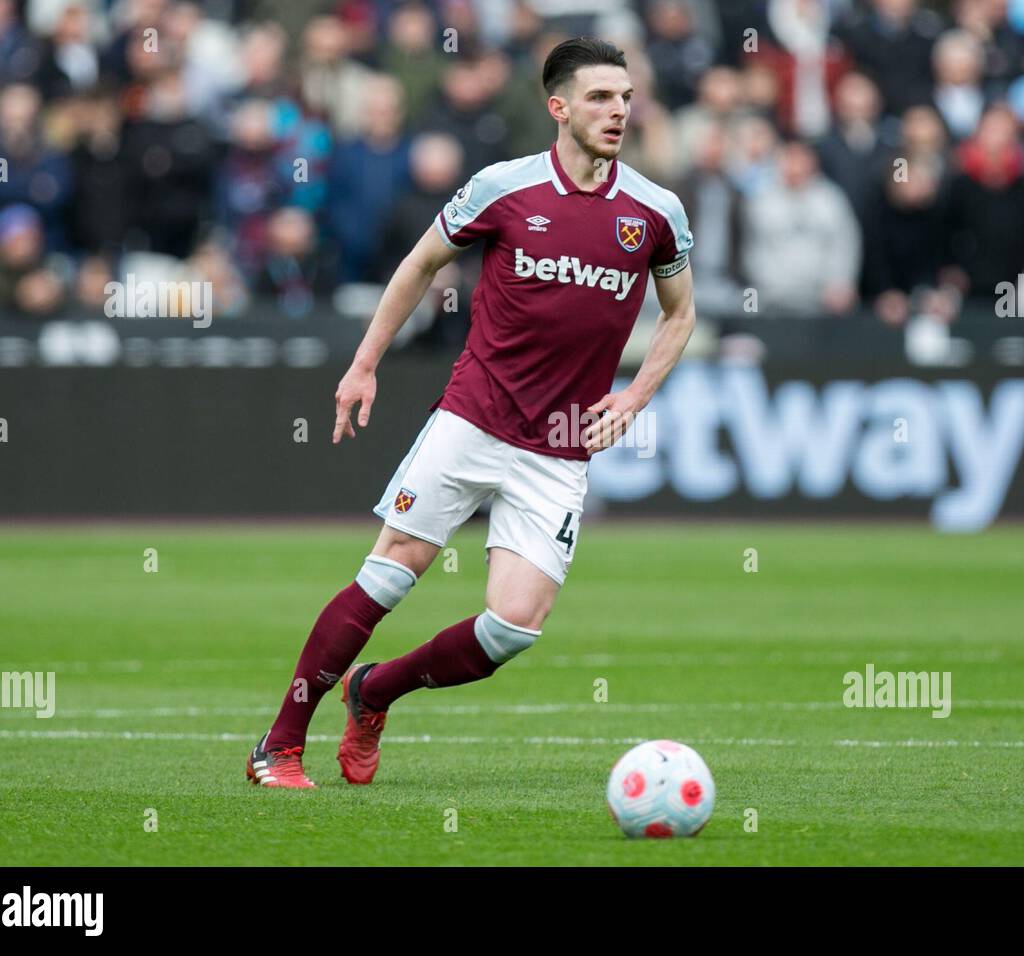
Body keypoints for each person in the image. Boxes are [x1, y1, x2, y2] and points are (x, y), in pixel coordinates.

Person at [247, 36, 697, 788]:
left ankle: (374, 690)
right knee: (389, 575)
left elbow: (679, 314)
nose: (618, 110)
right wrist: (364, 363)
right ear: (558, 108)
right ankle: (280, 742)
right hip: (472, 419)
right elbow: (421, 263)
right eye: (599, 97)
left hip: (560, 445)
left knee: (514, 627)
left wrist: (635, 394)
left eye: (624, 97)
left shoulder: (656, 210)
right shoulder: (503, 187)